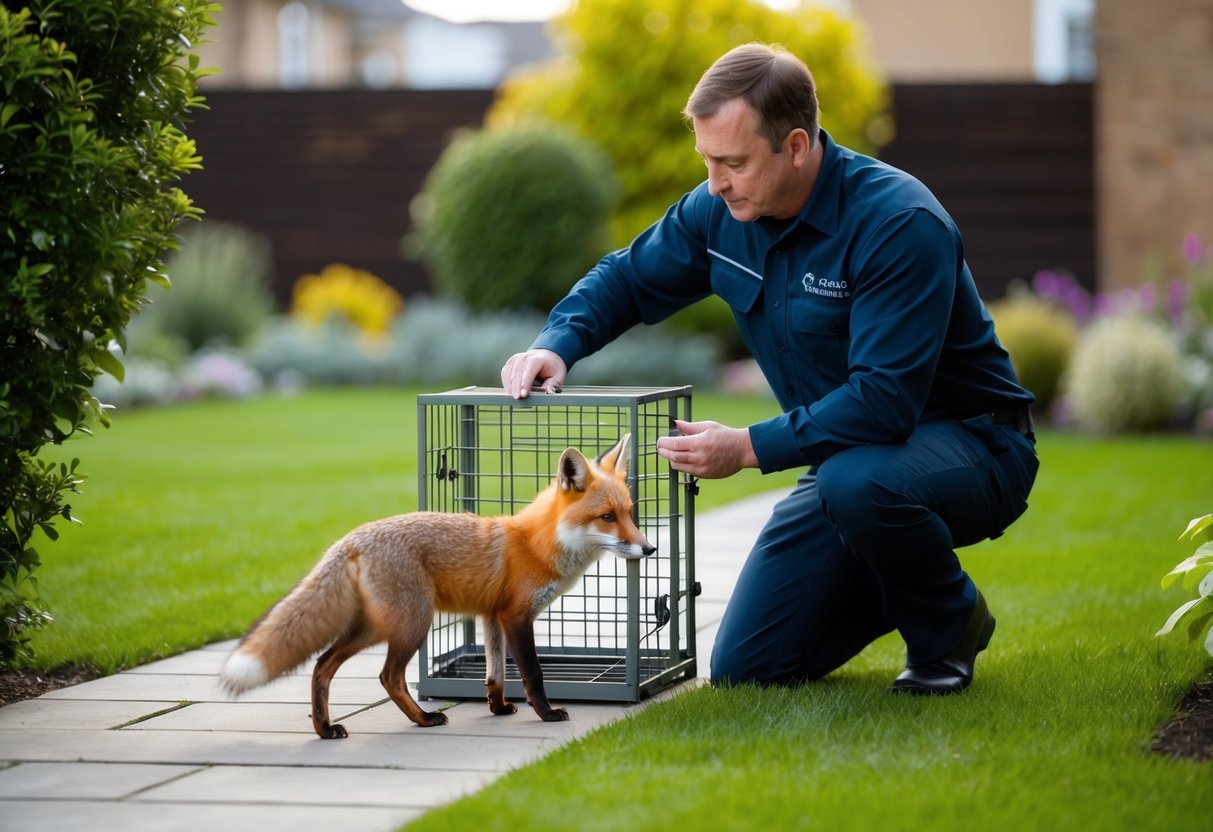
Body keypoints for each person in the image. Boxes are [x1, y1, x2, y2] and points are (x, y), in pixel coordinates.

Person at [500, 43, 1039, 695]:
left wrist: (748, 447)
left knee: (857, 486)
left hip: (973, 446)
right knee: (749, 668)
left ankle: (945, 627)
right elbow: (627, 277)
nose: (715, 182)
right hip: (849, 462)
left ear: (793, 146)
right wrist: (556, 343)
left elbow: (884, 401)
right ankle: (897, 572)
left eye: (732, 162)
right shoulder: (719, 212)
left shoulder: (897, 222)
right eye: (707, 160)